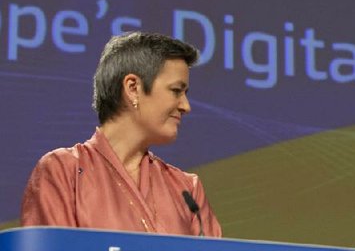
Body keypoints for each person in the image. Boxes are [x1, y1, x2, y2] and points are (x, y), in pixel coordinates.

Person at [20, 31, 222, 237]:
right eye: (176, 90)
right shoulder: (63, 171)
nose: (186, 106)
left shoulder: (187, 189)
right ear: (133, 88)